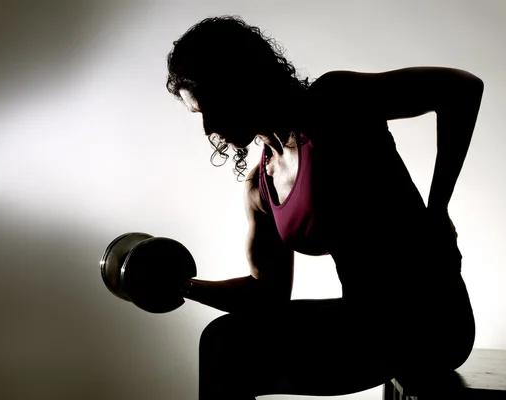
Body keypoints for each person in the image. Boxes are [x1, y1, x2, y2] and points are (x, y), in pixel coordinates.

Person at [165, 15, 483, 399]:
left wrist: (438, 207)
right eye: (200, 115)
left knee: (228, 349)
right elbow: (267, 296)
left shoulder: (335, 102)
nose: (208, 129)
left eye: (213, 107)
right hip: (363, 321)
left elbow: (461, 89)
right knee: (224, 343)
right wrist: (179, 285)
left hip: (431, 321)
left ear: (241, 81)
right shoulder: (261, 186)